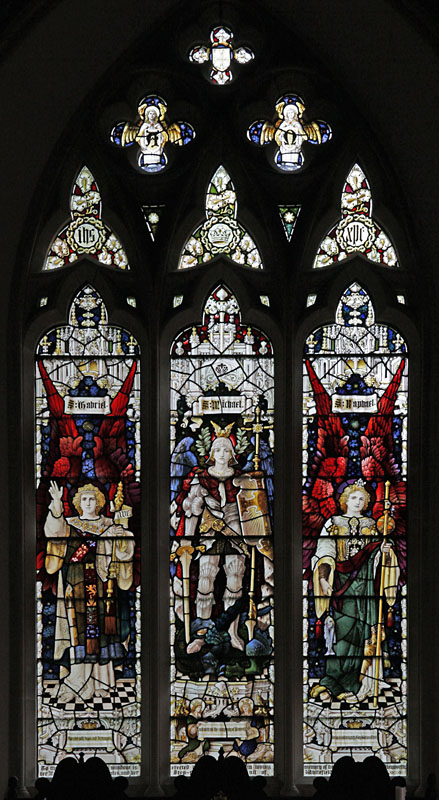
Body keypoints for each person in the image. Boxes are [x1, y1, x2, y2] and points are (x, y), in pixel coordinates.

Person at [44, 480, 135, 702]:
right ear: (77, 503)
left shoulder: (108, 525)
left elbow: (123, 551)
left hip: (103, 586)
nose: (87, 502)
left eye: (92, 499)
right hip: (76, 587)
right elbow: (54, 534)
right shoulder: (70, 524)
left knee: (103, 632)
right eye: (83, 499)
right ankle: (77, 680)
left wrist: (121, 530)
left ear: (100, 503)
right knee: (79, 632)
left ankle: (102, 682)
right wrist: (56, 506)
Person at [310, 481, 399, 703]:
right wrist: (322, 578)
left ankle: (353, 682)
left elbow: (376, 557)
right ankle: (331, 680)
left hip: (366, 584)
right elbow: (324, 552)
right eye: (353, 498)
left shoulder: (372, 524)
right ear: (344, 501)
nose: (358, 502)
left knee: (361, 635)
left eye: (362, 499)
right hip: (340, 583)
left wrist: (384, 551)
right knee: (339, 635)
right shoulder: (333, 523)